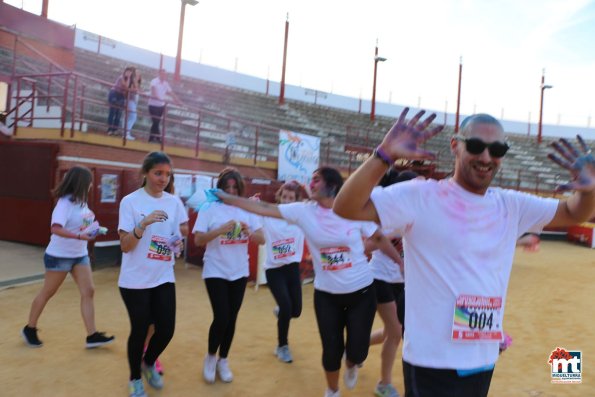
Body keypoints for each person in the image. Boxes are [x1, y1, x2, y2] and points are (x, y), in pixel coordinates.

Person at [333, 108, 595, 397]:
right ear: (455, 146)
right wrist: (384, 155)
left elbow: (572, 211)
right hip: (431, 361)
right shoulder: (420, 196)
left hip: (482, 358)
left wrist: (590, 191)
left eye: (496, 149)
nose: (485, 157)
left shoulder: (511, 205)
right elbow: (345, 206)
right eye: (475, 146)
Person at [215, 166, 401, 397]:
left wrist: (399, 263)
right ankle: (332, 390)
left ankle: (352, 362)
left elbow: (380, 237)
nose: (310, 184)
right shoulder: (303, 211)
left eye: (316, 180)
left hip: (361, 292)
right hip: (326, 295)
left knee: (358, 351)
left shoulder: (353, 209)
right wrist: (228, 198)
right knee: (331, 349)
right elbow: (265, 207)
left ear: (332, 186)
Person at [118, 152, 188, 397]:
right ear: (145, 173)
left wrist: (177, 242)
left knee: (166, 329)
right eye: (158, 173)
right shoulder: (130, 202)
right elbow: (125, 245)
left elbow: (181, 230)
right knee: (139, 331)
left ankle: (148, 363)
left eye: (167, 174)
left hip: (163, 276)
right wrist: (143, 224)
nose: (163, 179)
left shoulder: (174, 202)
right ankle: (135, 378)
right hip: (135, 280)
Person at [22, 165, 115, 349]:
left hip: (79, 255)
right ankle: (29, 328)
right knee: (48, 292)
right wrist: (79, 236)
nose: (91, 185)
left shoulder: (82, 202)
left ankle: (92, 335)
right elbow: (55, 228)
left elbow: (81, 225)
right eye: (89, 182)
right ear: (81, 183)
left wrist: (92, 230)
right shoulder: (64, 203)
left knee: (88, 291)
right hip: (60, 255)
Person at [192, 167, 265, 384]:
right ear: (220, 188)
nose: (231, 190)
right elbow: (198, 240)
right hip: (215, 270)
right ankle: (211, 357)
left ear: (240, 189)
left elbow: (262, 239)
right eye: (227, 187)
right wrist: (220, 230)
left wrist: (248, 232)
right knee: (222, 316)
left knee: (232, 318)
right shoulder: (209, 208)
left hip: (239, 271)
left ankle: (224, 359)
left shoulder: (247, 209)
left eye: (235, 187)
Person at [367, 169, 419, 397]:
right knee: (396, 332)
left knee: (392, 331)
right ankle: (384, 384)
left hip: (403, 283)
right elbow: (365, 247)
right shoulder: (386, 216)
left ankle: (355, 347)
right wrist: (385, 239)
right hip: (379, 278)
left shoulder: (420, 216)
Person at [261, 181, 307, 363]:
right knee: (287, 307)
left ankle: (281, 311)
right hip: (274, 270)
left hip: (292, 269)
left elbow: (316, 205)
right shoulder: (268, 216)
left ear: (297, 200)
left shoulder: (301, 217)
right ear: (279, 197)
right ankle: (282, 346)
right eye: (285, 197)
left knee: (295, 311)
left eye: (291, 198)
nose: (287, 201)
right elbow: (252, 210)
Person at [147, 69, 180, 144]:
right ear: (159, 74)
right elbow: (153, 92)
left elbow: (171, 93)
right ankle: (158, 138)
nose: (164, 76)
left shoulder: (165, 83)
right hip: (153, 104)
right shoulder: (154, 81)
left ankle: (151, 138)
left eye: (165, 75)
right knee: (155, 121)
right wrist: (162, 99)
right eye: (162, 74)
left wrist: (177, 100)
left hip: (161, 105)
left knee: (156, 122)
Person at [107, 66, 134, 135]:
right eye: (127, 72)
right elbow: (125, 86)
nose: (128, 73)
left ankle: (115, 129)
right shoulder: (121, 77)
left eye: (130, 72)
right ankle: (110, 129)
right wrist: (128, 79)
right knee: (112, 112)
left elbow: (127, 87)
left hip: (121, 95)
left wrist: (128, 78)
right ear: (125, 71)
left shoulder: (129, 80)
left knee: (118, 113)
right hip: (115, 93)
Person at [124, 68, 142, 141]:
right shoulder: (132, 81)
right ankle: (126, 133)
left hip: (132, 101)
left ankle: (125, 133)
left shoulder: (136, 82)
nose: (138, 76)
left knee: (128, 117)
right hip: (130, 100)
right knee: (132, 117)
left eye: (139, 75)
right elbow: (130, 89)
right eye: (136, 74)